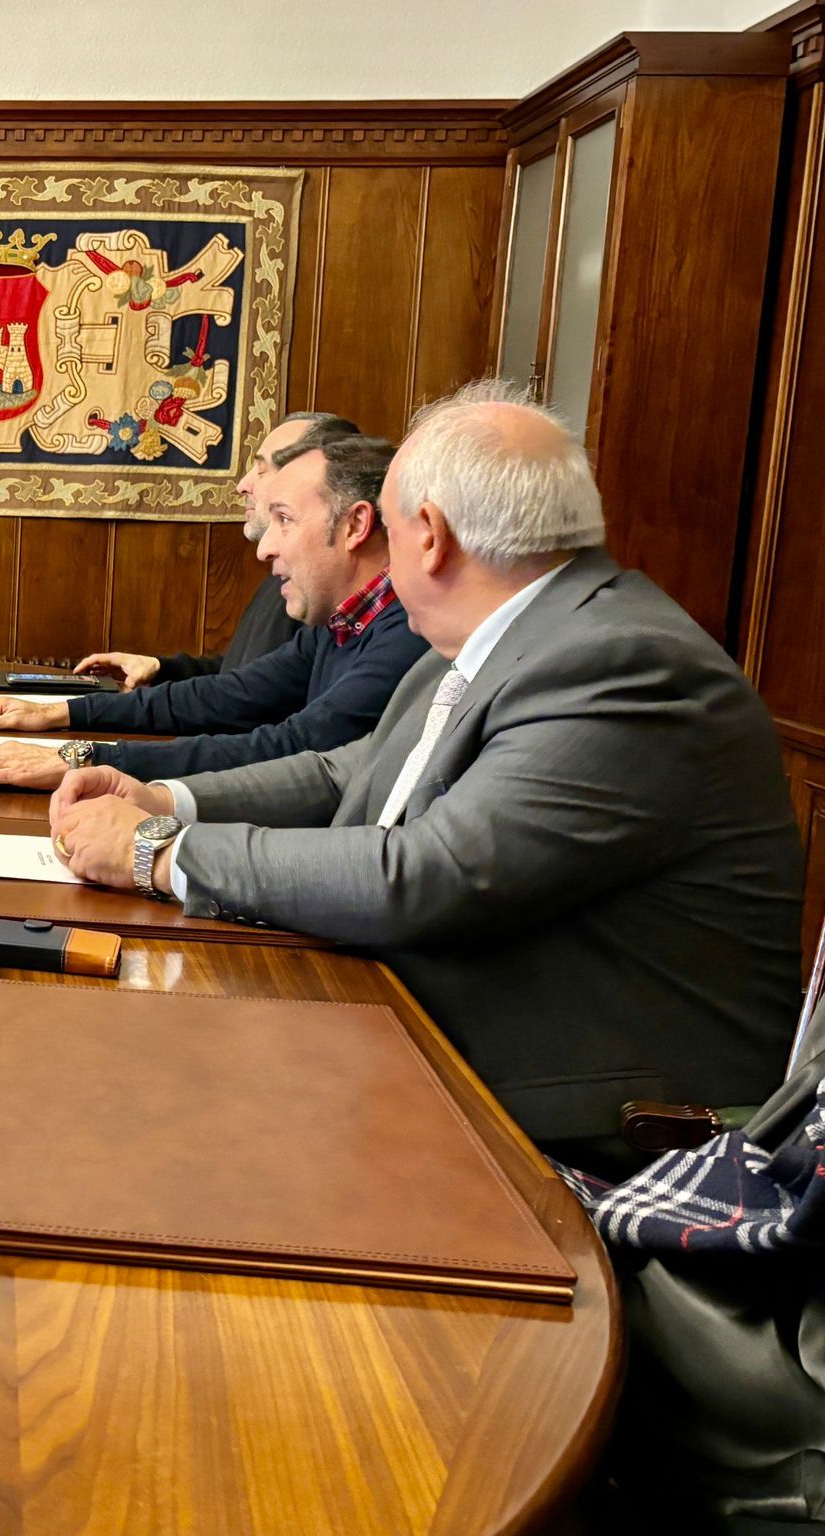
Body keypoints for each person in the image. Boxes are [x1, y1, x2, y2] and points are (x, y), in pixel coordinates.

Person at [46, 381, 801, 1152]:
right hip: (415, 1042)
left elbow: (427, 875)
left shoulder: (621, 664)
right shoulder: (498, 633)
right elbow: (351, 772)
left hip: (589, 1130)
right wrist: (163, 797)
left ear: (430, 535)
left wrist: (159, 854)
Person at [0, 434, 428, 791]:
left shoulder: (410, 633)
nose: (265, 548)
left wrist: (82, 758)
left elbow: (290, 748)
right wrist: (60, 713)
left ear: (357, 525)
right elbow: (228, 696)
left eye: (284, 519)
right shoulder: (343, 619)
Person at [71, 410, 359, 691]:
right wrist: (162, 669)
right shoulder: (283, 575)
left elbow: (259, 705)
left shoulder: (320, 588)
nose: (242, 485)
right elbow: (242, 677)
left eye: (261, 469)